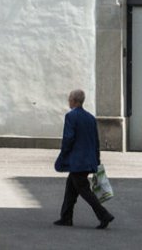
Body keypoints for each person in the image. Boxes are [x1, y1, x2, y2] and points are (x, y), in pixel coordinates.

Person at [52, 88, 114, 230]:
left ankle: (104, 215)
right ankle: (66, 217)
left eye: (69, 99)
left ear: (73, 101)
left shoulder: (71, 116)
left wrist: (63, 155)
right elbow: (95, 141)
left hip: (77, 161)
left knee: (84, 190)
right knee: (71, 188)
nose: (68, 101)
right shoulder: (90, 118)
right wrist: (96, 159)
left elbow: (68, 138)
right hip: (88, 160)